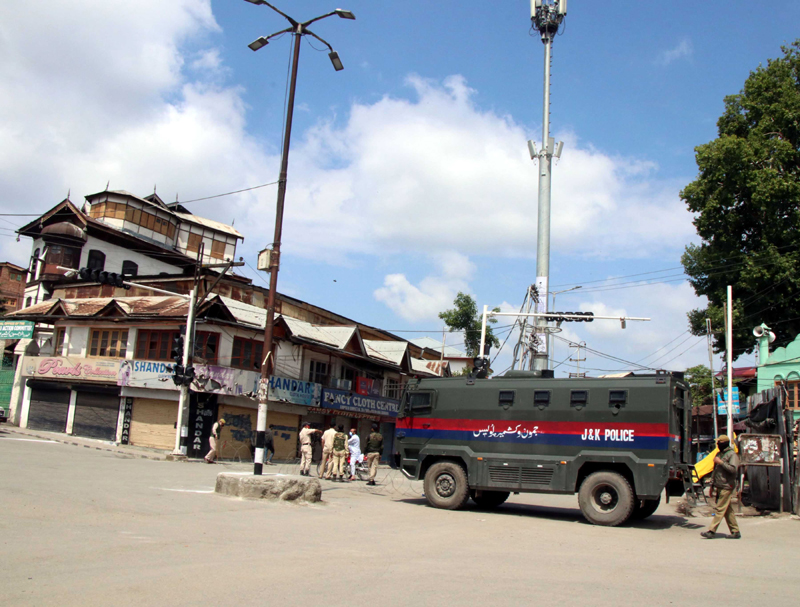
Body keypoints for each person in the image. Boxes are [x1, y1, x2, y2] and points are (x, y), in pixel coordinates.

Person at [701, 434, 741, 539]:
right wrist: (712, 485)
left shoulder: (732, 455)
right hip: (720, 485)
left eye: (719, 442)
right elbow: (716, 471)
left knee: (719, 509)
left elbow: (733, 469)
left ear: (724, 443)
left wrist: (721, 462)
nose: (718, 444)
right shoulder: (720, 453)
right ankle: (735, 531)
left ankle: (712, 531)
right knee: (727, 510)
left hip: (727, 485)